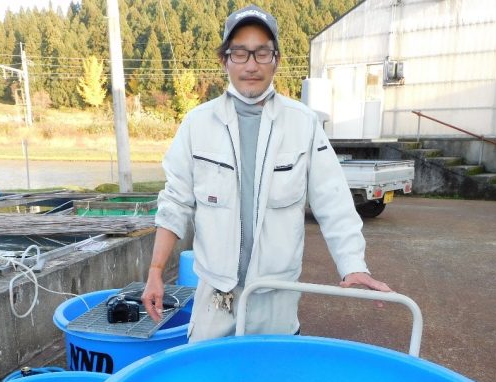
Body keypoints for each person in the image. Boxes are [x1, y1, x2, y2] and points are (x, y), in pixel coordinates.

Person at [142, 4, 391, 341]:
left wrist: (353, 265)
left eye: (262, 53)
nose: (251, 65)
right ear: (225, 59)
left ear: (276, 59)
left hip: (277, 295)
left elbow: (333, 201)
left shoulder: (303, 124)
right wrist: (156, 271)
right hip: (215, 296)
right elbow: (175, 203)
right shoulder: (197, 124)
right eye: (240, 53)